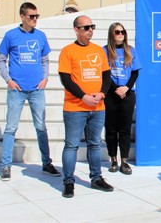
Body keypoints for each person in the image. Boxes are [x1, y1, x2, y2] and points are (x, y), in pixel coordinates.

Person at [0, 2, 60, 181]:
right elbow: (1, 60)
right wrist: (8, 80)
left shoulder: (41, 36)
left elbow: (45, 60)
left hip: (37, 89)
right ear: (22, 17)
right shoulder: (11, 35)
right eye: (31, 16)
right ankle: (6, 165)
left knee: (41, 127)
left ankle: (46, 163)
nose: (35, 19)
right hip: (17, 90)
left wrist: (45, 78)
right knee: (11, 128)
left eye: (36, 16)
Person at [58, 15, 114, 198]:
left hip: (97, 107)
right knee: (71, 145)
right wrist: (83, 96)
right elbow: (65, 79)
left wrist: (102, 94)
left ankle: (96, 178)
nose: (90, 30)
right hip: (75, 107)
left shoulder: (98, 50)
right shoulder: (67, 51)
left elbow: (106, 75)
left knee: (95, 144)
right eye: (86, 27)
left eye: (92, 27)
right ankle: (68, 182)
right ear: (76, 30)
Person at [103, 22, 141, 175]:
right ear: (111, 34)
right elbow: (105, 73)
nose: (120, 34)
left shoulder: (130, 50)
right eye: (117, 32)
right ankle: (113, 159)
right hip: (111, 93)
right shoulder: (104, 51)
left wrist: (126, 88)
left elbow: (135, 73)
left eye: (122, 32)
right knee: (111, 128)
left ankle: (124, 161)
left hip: (127, 93)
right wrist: (116, 89)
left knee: (125, 128)